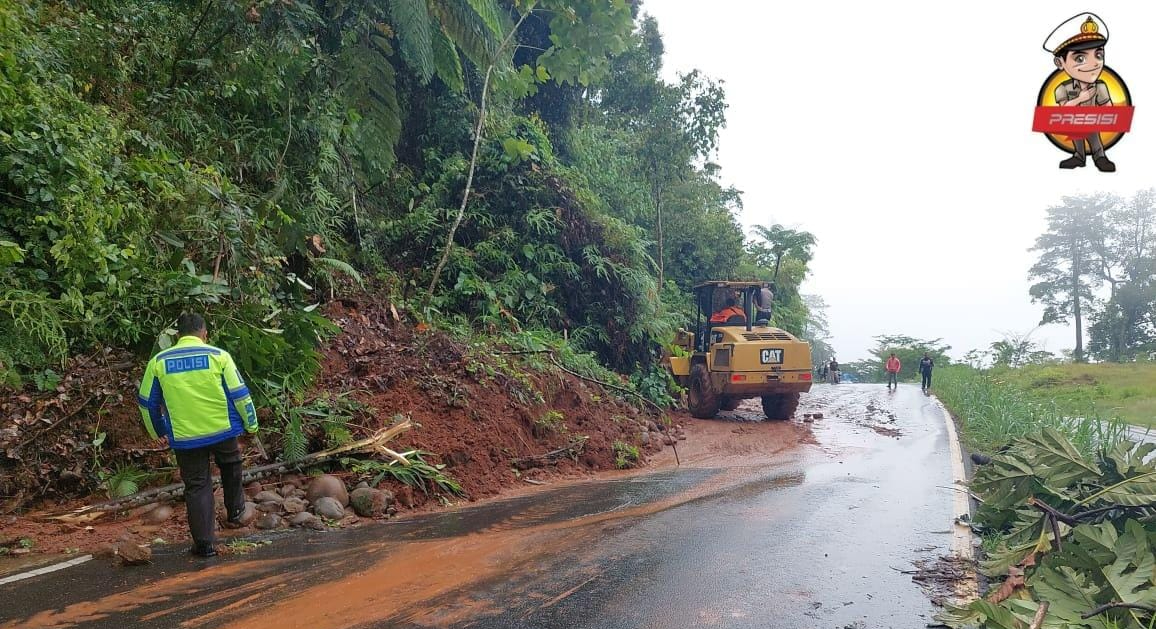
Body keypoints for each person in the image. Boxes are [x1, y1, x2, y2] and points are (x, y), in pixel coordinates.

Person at [138, 313, 259, 557]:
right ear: (204, 334)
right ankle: (235, 510)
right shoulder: (218, 356)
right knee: (231, 463)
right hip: (222, 429)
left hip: (185, 438)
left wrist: (158, 431)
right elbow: (239, 394)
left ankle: (204, 544)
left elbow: (147, 402)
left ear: (177, 335)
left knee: (197, 485)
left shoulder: (159, 362)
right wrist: (252, 424)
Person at [1044, 14, 1116, 172]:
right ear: (1060, 63)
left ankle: (1100, 157)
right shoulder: (1062, 88)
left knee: (1094, 137)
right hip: (1073, 122)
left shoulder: (1101, 86)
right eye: (1080, 58)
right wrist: (1081, 99)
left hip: (1093, 122)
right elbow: (1063, 111)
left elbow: (1110, 110)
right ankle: (1079, 156)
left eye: (1098, 55)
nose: (1094, 63)